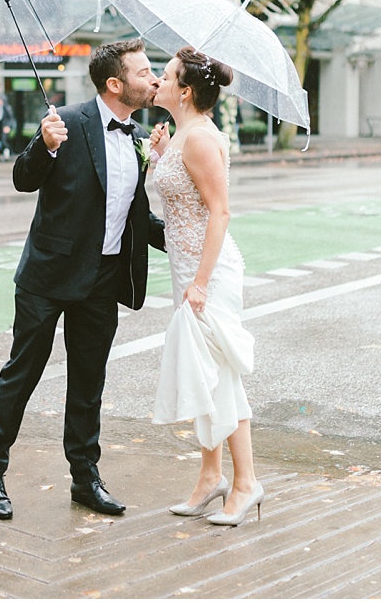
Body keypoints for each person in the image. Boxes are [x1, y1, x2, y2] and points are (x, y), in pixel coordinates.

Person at [0, 38, 167, 521]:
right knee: (22, 375)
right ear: (114, 83)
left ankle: (85, 478)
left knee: (88, 383)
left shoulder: (139, 136)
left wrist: (189, 238)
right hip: (48, 275)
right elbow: (23, 179)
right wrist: (43, 146)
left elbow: (132, 214)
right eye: (145, 73)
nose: (155, 79)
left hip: (102, 279)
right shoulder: (65, 122)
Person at [147, 46, 262, 527]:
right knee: (203, 373)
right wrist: (157, 155)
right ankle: (211, 475)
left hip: (207, 274)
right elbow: (176, 199)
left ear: (185, 90)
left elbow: (221, 212)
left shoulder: (198, 140)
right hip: (187, 270)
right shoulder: (182, 136)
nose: (158, 79)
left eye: (167, 74)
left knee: (221, 376)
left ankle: (246, 482)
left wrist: (200, 281)